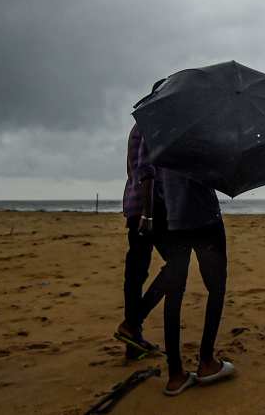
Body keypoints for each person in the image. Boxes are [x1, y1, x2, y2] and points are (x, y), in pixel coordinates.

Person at [131, 130, 236, 396]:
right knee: (216, 288)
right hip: (205, 218)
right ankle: (206, 361)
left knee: (175, 294)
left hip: (175, 219)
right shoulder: (201, 129)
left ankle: (175, 374)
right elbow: (217, 173)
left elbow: (147, 172)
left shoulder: (157, 129)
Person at [114, 121, 168, 360]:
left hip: (136, 204)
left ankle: (132, 341)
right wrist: (148, 214)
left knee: (135, 274)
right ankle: (133, 324)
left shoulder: (140, 125)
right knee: (177, 264)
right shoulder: (153, 123)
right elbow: (146, 170)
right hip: (150, 208)